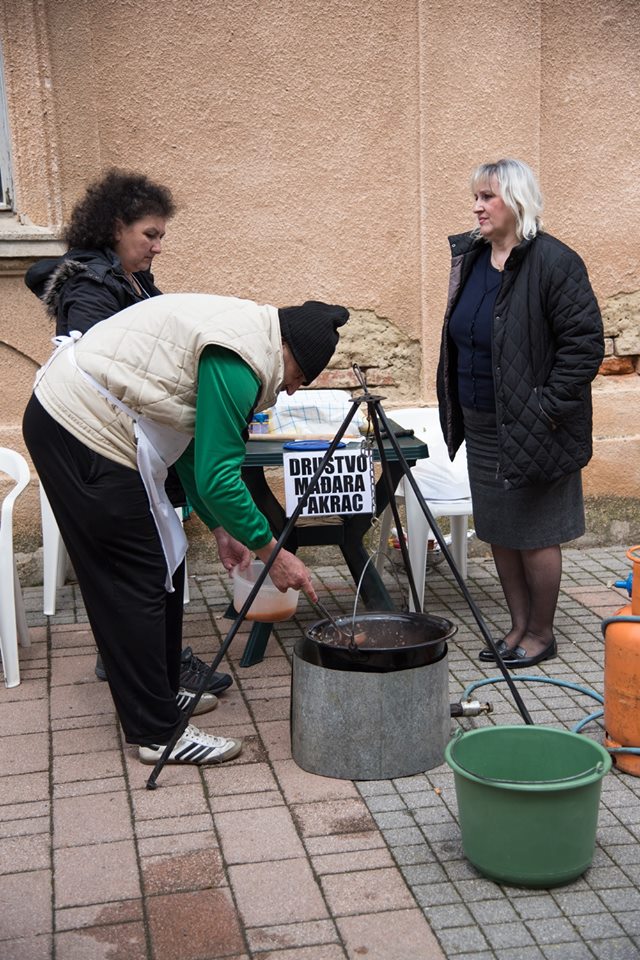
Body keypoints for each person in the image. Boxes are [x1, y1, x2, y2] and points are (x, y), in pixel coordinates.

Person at [23, 293, 348, 764]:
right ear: (288, 351)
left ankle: (161, 692)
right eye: (300, 377)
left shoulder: (247, 339)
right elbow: (219, 478)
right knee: (133, 577)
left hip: (92, 424)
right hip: (80, 426)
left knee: (165, 563)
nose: (294, 390)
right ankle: (158, 733)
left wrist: (220, 527)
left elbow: (195, 444)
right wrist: (271, 553)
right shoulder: (242, 361)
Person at [24, 168, 231, 698]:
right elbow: (104, 374)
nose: (158, 246)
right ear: (116, 227)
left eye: (161, 235)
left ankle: (149, 664)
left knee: (154, 561)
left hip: (134, 444)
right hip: (108, 448)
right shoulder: (90, 287)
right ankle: (146, 675)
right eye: (150, 234)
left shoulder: (133, 279)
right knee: (139, 567)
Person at [437, 158, 603, 669]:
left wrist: (546, 408)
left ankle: (541, 634)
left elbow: (584, 346)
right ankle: (516, 627)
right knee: (500, 530)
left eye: (487, 196)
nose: (477, 207)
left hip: (537, 425)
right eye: (476, 197)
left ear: (516, 201)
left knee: (535, 534)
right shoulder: (470, 258)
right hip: (483, 421)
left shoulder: (555, 262)